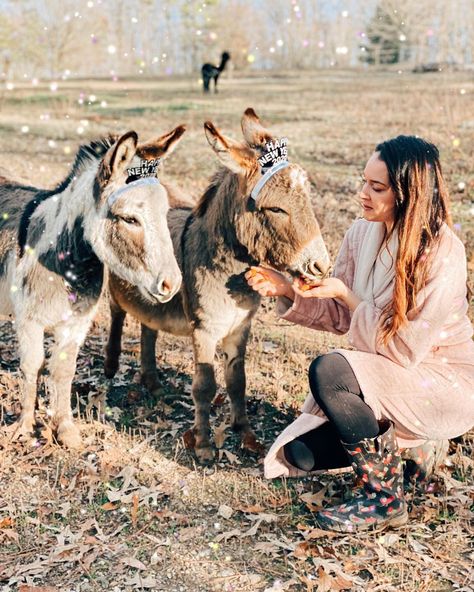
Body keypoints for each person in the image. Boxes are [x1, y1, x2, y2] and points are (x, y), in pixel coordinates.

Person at [245, 135, 474, 533]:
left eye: (377, 187)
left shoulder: (442, 253)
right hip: (389, 374)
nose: (362, 195)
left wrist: (349, 297)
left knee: (330, 372)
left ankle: (383, 498)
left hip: (439, 381)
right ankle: (410, 449)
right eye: (363, 182)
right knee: (300, 455)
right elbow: (339, 314)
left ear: (409, 193)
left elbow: (404, 349)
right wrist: (287, 289)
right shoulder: (361, 233)